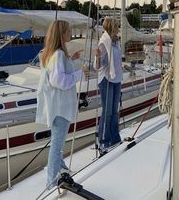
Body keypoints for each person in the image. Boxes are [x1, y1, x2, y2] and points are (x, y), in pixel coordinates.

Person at [36, 20, 89, 190]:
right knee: (57, 145)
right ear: (61, 34)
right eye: (68, 31)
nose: (70, 34)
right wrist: (80, 73)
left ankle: (60, 167)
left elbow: (58, 72)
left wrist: (70, 60)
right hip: (60, 107)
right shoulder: (58, 54)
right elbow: (59, 80)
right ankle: (50, 182)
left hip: (55, 106)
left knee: (56, 141)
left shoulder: (50, 53)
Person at [94, 17, 123, 153]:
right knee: (108, 112)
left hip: (116, 79)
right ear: (112, 28)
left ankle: (115, 138)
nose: (118, 28)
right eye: (117, 26)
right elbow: (98, 66)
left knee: (114, 111)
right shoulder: (104, 43)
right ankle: (104, 141)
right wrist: (98, 57)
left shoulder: (116, 42)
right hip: (106, 79)